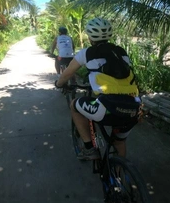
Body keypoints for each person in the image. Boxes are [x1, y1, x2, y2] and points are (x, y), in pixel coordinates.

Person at [55, 18, 141, 160]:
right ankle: (119, 178)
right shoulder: (121, 52)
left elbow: (68, 73)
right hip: (133, 108)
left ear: (89, 36)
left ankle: (89, 150)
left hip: (107, 109)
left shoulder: (86, 53)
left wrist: (59, 84)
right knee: (119, 142)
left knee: (74, 106)